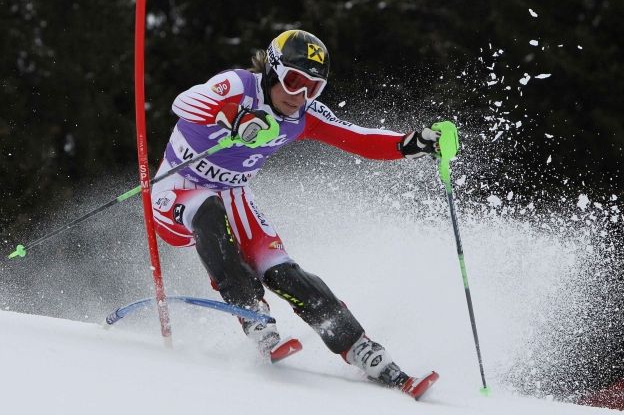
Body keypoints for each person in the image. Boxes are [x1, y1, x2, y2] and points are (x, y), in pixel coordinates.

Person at [151, 29, 456, 397]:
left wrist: (410, 144)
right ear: (273, 71)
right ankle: (253, 313)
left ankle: (361, 348)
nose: (300, 96)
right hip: (177, 191)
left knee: (281, 270)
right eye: (294, 82)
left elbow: (358, 138)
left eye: (313, 88)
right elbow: (184, 103)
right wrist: (233, 118)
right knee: (208, 211)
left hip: (234, 195)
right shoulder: (238, 85)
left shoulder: (304, 116)